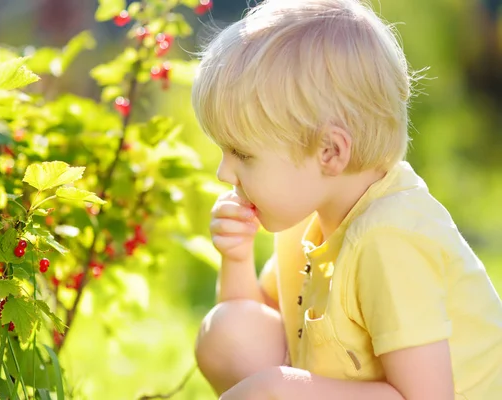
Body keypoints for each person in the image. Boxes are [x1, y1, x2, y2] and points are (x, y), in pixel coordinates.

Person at [190, 0, 502, 398]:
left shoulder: (390, 238)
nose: (224, 172)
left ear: (330, 153)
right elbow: (256, 332)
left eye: (243, 155)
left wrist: (280, 390)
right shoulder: (311, 214)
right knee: (228, 330)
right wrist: (236, 257)